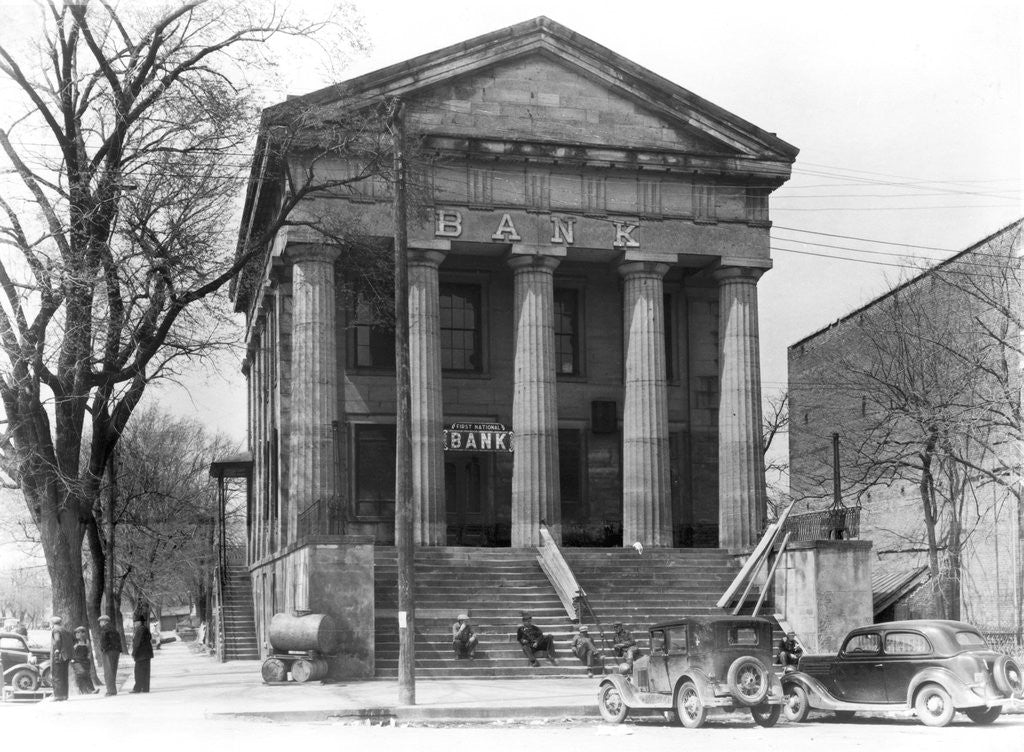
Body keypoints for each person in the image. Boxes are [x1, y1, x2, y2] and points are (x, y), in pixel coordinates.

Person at [71, 626, 100, 694]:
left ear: (83, 633)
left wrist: (88, 657)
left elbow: (89, 651)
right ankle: (81, 690)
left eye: (79, 633)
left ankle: (91, 690)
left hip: (85, 661)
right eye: (76, 633)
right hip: (76, 661)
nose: (77, 634)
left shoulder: (87, 641)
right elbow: (71, 651)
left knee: (87, 675)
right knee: (81, 674)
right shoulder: (74, 642)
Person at [49, 616, 72, 701]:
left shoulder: (56, 630)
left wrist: (57, 650)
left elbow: (57, 640)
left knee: (57, 675)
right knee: (64, 675)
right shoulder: (65, 630)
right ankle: (64, 695)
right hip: (65, 656)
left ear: (52, 623)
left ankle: (58, 696)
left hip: (58, 656)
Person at [99, 614, 123, 696]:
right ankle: (113, 689)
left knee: (108, 671)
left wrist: (103, 649)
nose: (100, 623)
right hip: (116, 651)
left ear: (104, 621)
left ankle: (111, 690)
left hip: (108, 651)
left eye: (100, 621)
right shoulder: (114, 628)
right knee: (113, 670)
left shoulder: (104, 629)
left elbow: (103, 640)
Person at [131, 615, 154, 693]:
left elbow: (137, 643)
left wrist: (134, 653)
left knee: (138, 672)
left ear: (140, 622)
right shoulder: (145, 629)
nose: (135, 624)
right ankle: (145, 688)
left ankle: (137, 688)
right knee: (145, 672)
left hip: (141, 654)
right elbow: (149, 638)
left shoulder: (140, 630)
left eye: (136, 622)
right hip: (146, 654)